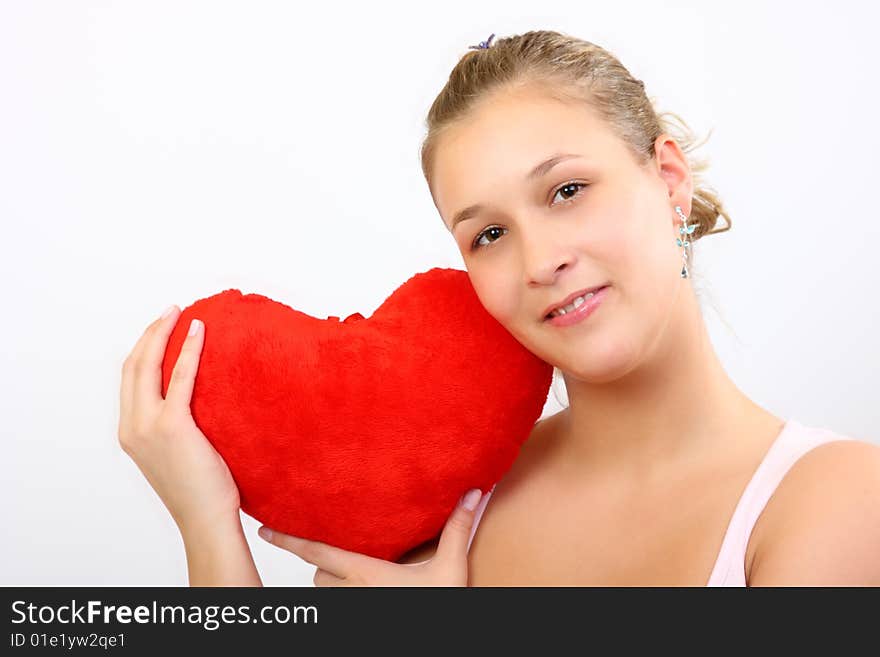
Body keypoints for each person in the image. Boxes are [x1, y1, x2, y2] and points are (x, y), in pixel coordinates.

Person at [118, 30, 880, 586]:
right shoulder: (443, 506)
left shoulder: (835, 498)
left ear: (668, 178)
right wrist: (206, 521)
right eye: (488, 234)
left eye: (567, 191)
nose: (539, 260)